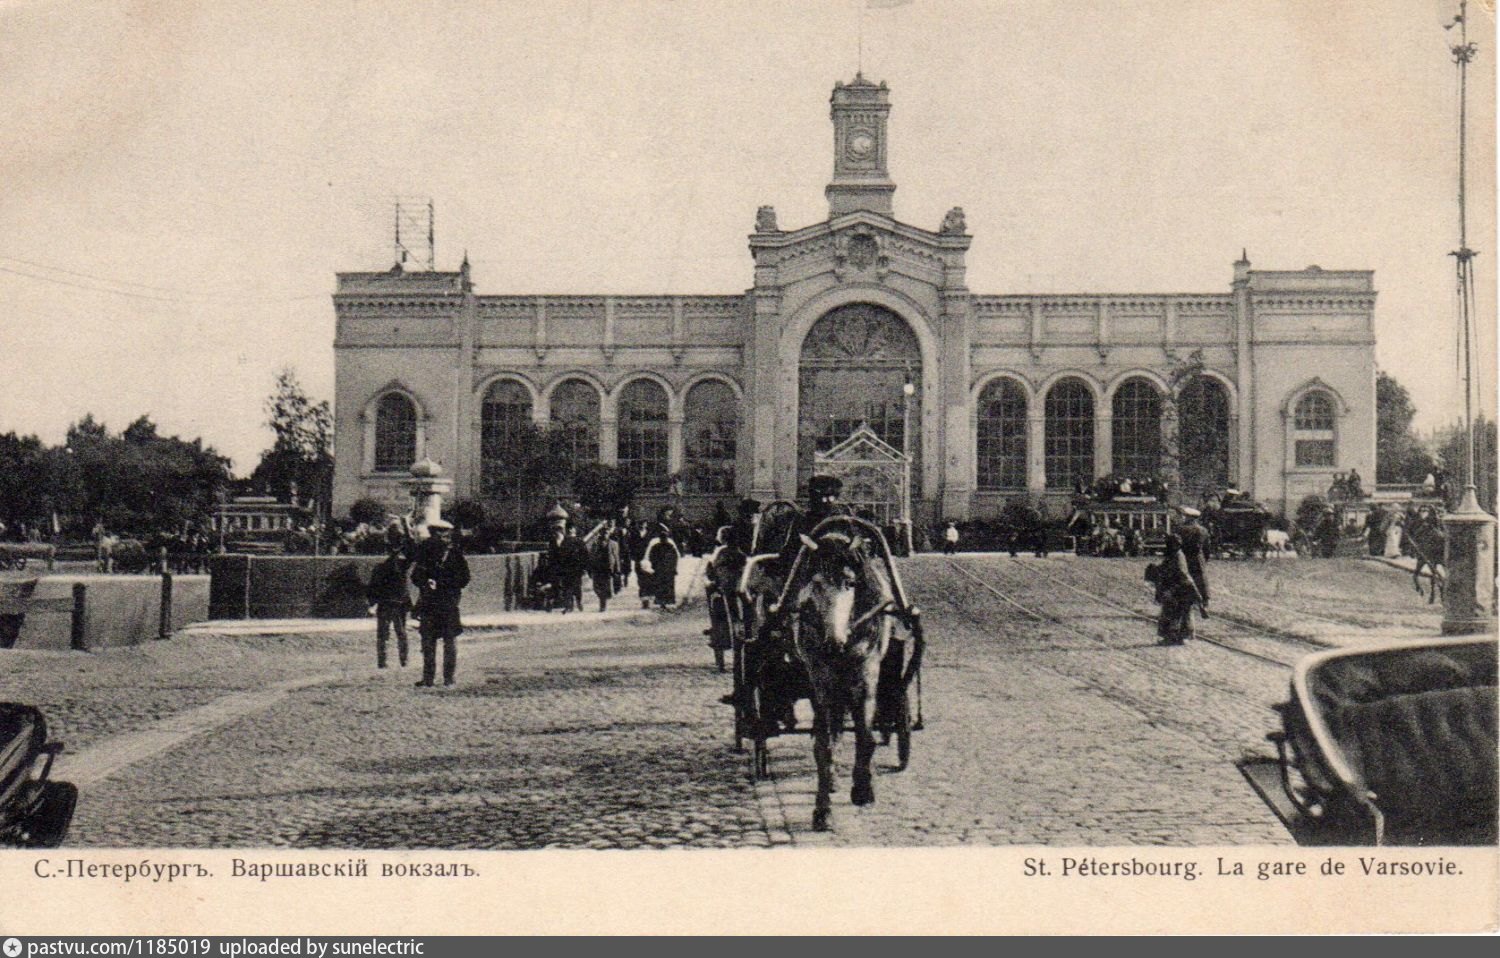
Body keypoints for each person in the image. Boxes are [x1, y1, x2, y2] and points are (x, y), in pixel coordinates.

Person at [410, 519, 470, 687]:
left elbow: (464, 578)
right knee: (430, 642)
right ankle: (432, 678)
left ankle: (445, 678)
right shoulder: (427, 553)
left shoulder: (454, 554)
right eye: (437, 534)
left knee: (446, 642)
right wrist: (426, 582)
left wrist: (440, 583)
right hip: (432, 603)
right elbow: (415, 576)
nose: (442, 538)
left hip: (446, 603)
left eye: (443, 534)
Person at [1149, 532, 1203, 645]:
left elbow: (1182, 573)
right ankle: (1178, 636)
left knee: (1173, 613)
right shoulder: (1174, 554)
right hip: (1176, 587)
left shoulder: (1178, 555)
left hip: (1178, 588)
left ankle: (1175, 637)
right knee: (1178, 612)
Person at [365, 541, 412, 669]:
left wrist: (372, 603)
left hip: (388, 603)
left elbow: (372, 588)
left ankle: (383, 661)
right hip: (396, 603)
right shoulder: (401, 566)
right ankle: (403, 661)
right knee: (400, 633)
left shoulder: (381, 568)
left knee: (384, 634)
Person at [639, 509, 681, 609]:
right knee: (661, 583)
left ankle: (665, 601)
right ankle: (660, 601)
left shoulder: (668, 532)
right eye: (667, 515)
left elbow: (675, 554)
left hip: (665, 565)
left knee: (665, 583)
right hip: (659, 564)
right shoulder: (656, 530)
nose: (669, 517)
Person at [1175, 506, 1211, 613]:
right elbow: (1207, 548)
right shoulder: (1203, 530)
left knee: (1182, 578)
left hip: (1184, 557)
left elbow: (1175, 545)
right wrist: (1204, 559)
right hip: (1198, 558)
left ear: (1188, 517)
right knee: (1201, 580)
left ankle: (1183, 602)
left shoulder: (1180, 529)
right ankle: (1204, 603)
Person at [588, 517, 622, 612]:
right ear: (600, 534)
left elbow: (616, 557)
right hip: (598, 568)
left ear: (609, 534)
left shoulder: (614, 544)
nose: (605, 535)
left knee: (605, 587)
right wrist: (590, 569)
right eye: (603, 533)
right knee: (596, 587)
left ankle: (603, 604)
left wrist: (617, 569)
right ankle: (603, 599)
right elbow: (591, 556)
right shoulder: (595, 544)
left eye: (606, 533)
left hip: (607, 568)